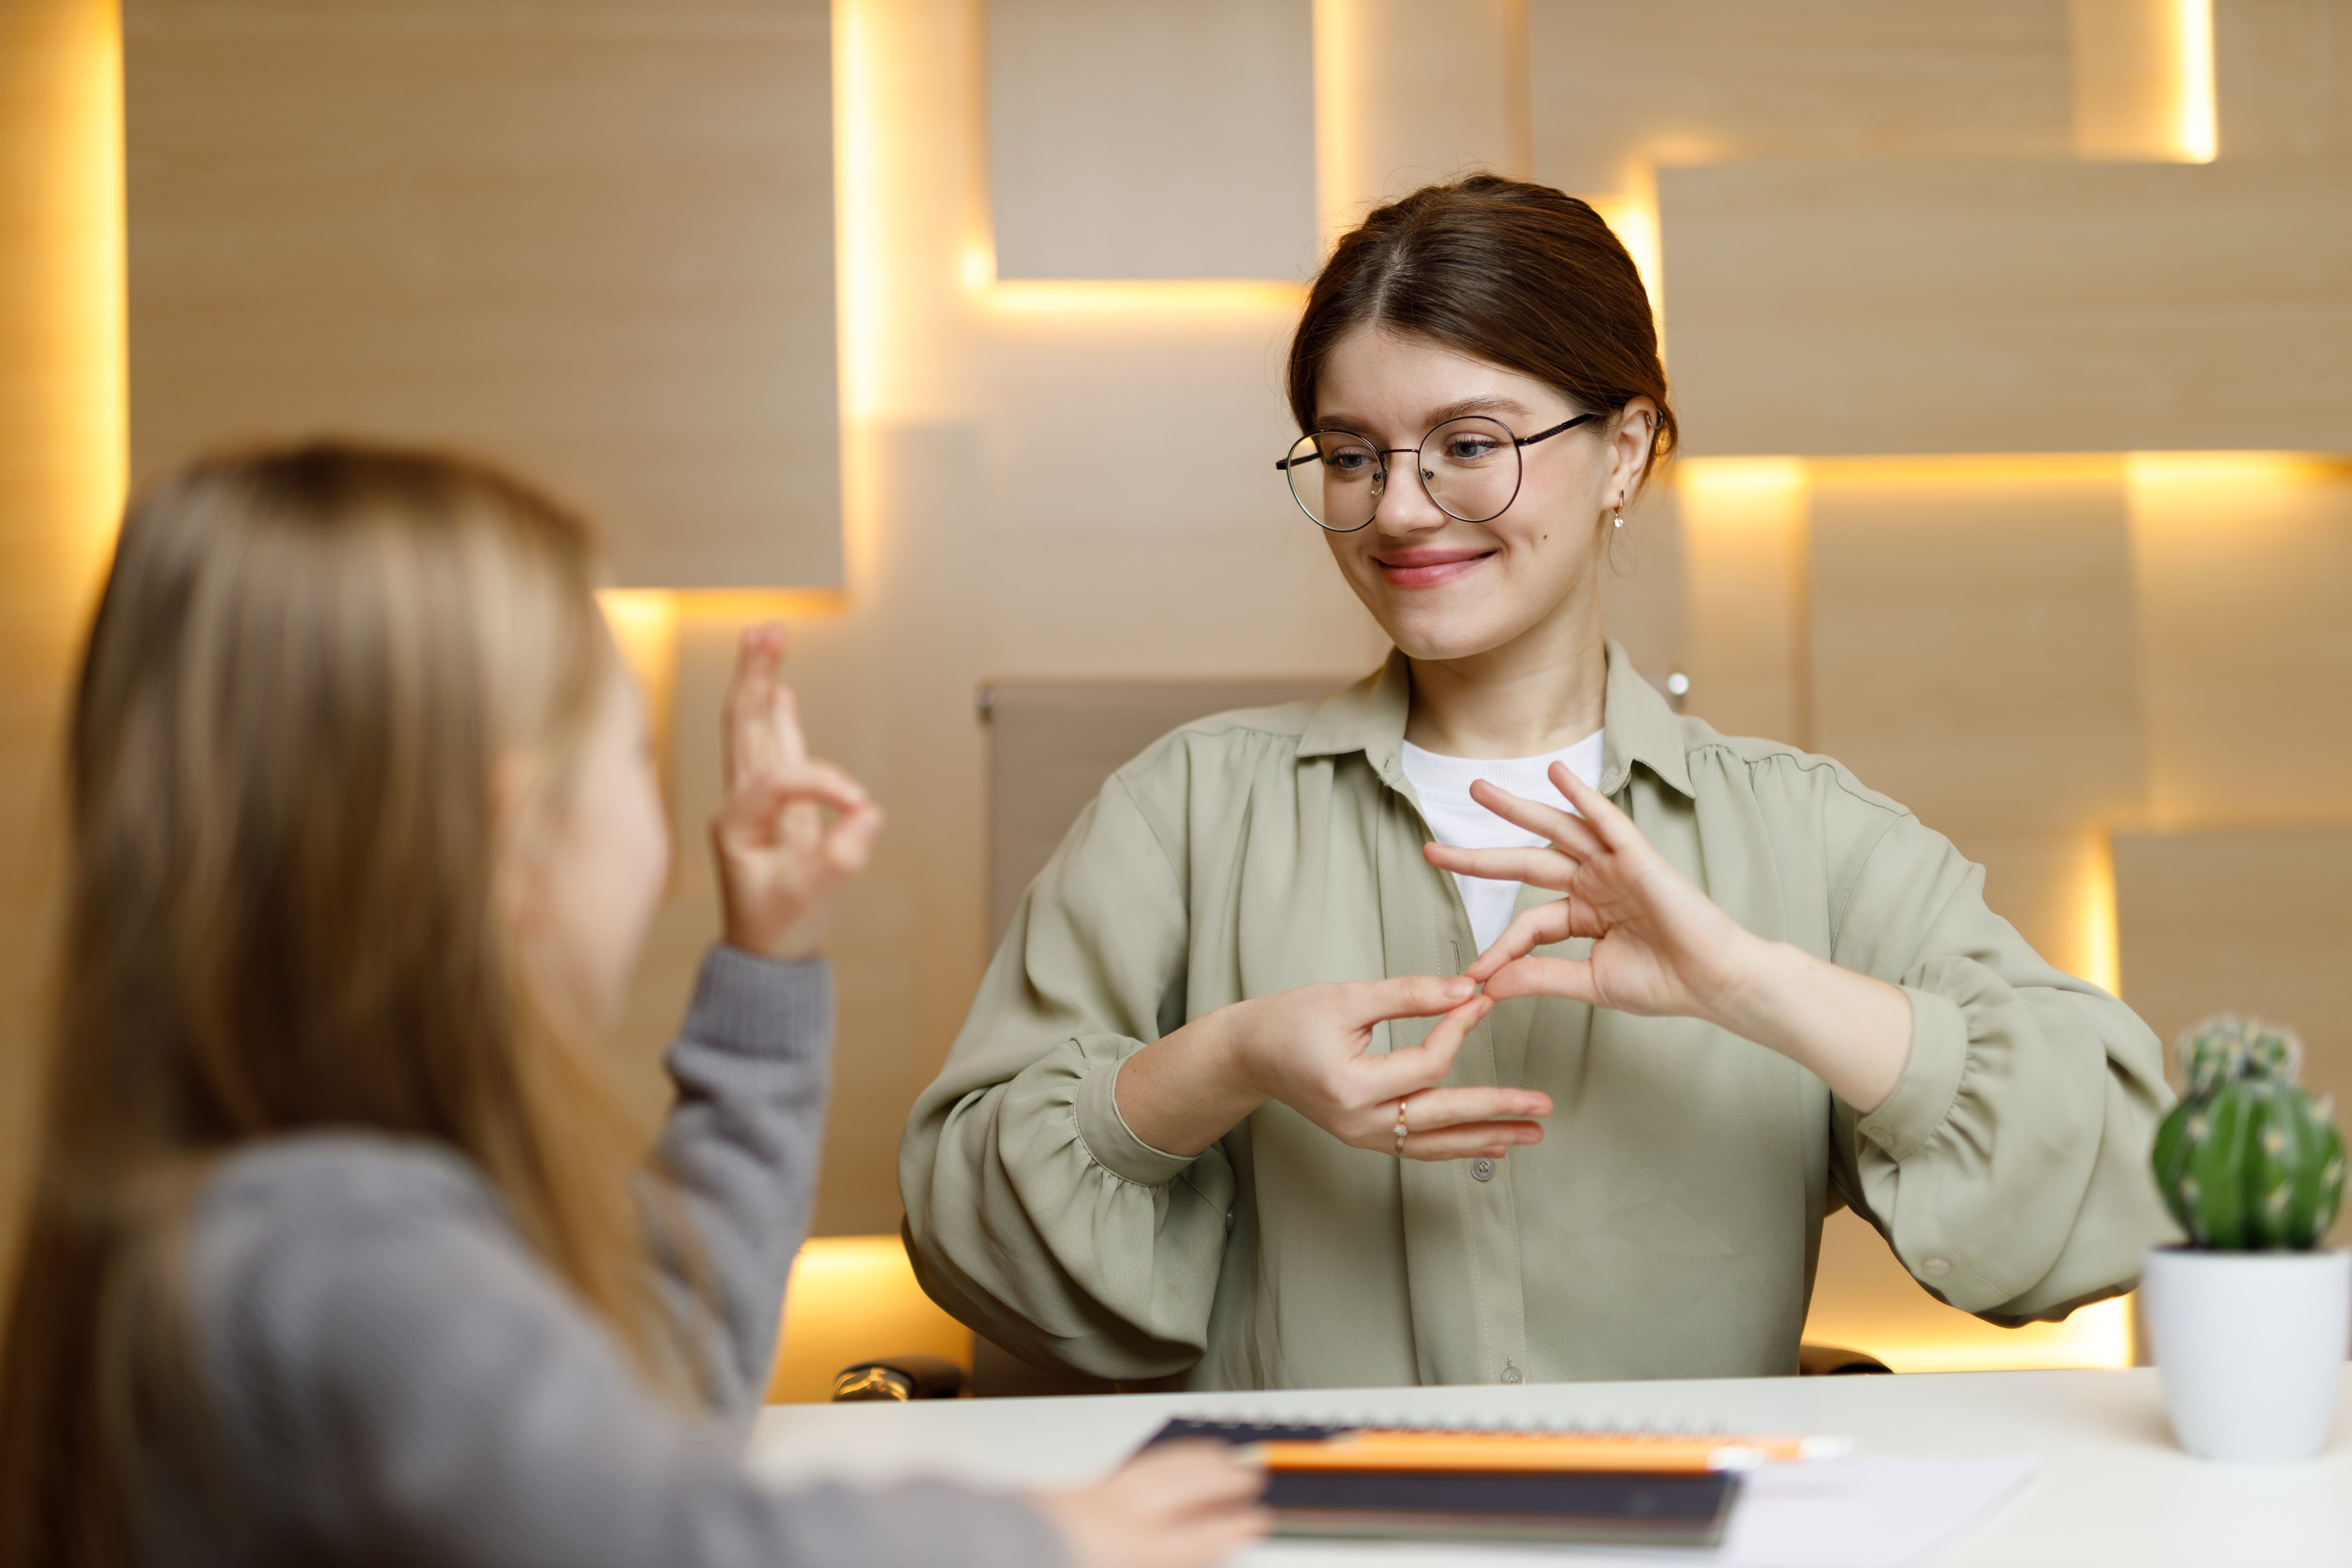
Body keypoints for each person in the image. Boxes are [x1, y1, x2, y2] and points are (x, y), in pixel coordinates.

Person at [901, 175, 2176, 1393]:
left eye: (1469, 443)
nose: (1401, 509)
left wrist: (1754, 984)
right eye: (1352, 457)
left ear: (1625, 451)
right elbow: (964, 1232)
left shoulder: (1807, 830)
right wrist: (1224, 1063)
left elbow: (2124, 1181)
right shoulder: (1183, 813)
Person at [0, 444, 1267, 1568]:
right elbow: (685, 1541)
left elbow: (650, 1395)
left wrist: (767, 966)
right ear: (506, 841)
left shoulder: (234, 1219)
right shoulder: (356, 1269)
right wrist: (1044, 1537)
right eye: (630, 757)